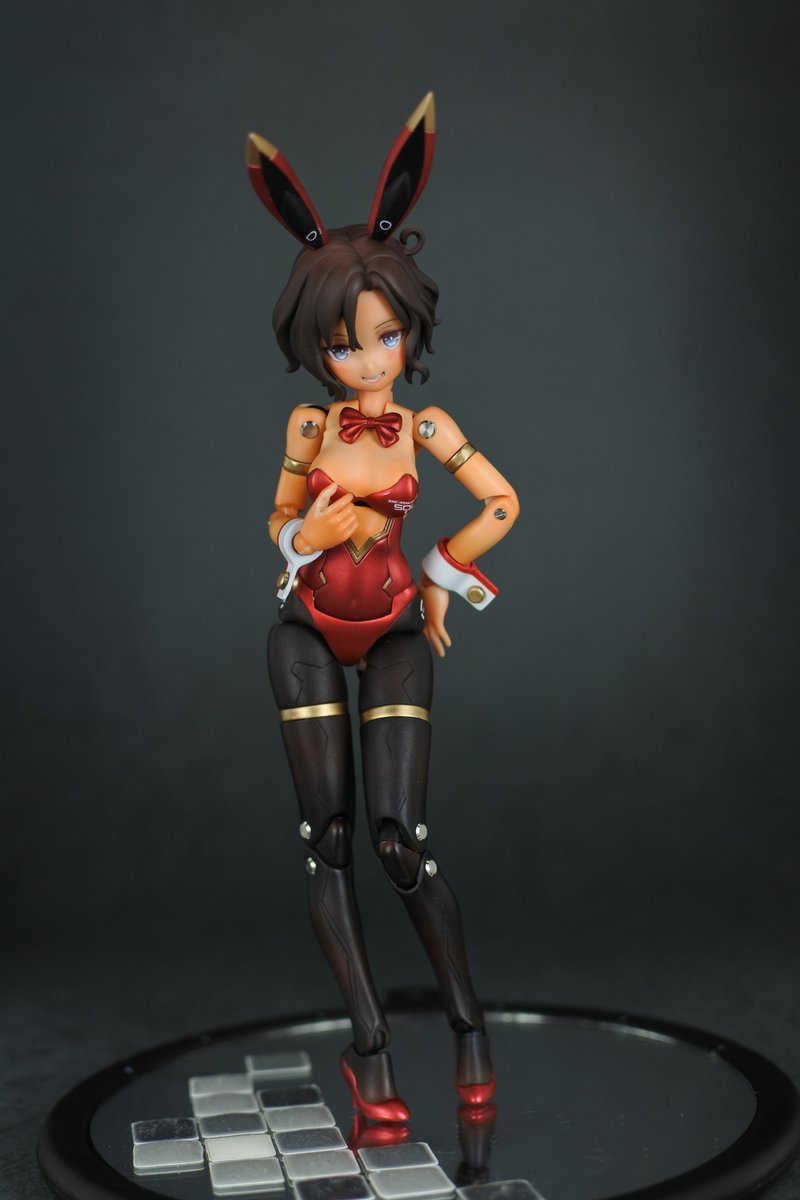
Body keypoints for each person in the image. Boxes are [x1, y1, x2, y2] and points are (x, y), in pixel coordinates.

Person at [247, 93, 518, 1122]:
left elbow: (502, 503)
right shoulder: (307, 427)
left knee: (399, 840)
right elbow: (278, 523)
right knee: (327, 836)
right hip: (307, 633)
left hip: (398, 628)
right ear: (316, 347)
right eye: (343, 344)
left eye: (383, 337)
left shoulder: (426, 426)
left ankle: (468, 1025)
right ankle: (370, 1050)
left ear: (407, 331)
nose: (365, 360)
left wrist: (441, 572)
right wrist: (301, 538)